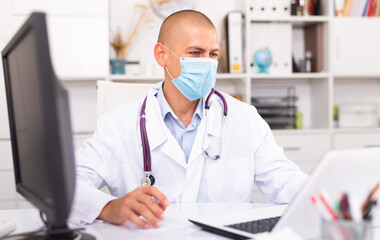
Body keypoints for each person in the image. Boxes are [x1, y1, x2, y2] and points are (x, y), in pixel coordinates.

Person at [70, 10, 308, 229]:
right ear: (161, 55)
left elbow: (287, 182)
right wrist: (110, 207)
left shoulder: (245, 118)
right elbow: (68, 186)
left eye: (213, 54)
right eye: (195, 53)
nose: (207, 63)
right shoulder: (118, 124)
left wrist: (332, 194)